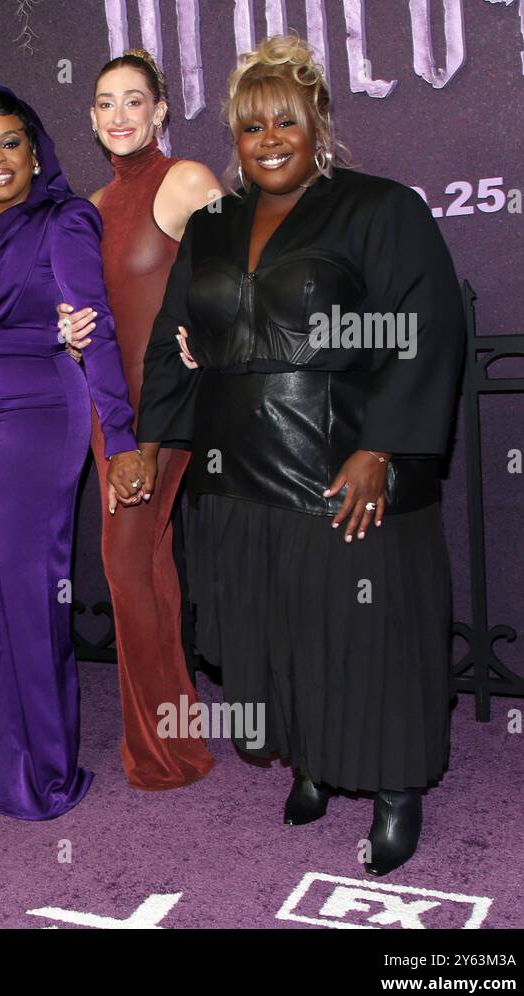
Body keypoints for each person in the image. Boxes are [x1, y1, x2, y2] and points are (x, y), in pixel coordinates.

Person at [137, 35, 463, 875]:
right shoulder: (211, 225)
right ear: (235, 143)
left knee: (365, 636)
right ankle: (312, 761)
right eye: (251, 128)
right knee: (276, 635)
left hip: (340, 468)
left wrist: (382, 448)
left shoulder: (380, 209)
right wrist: (149, 439)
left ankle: (394, 790)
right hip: (237, 475)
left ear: (318, 123)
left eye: (287, 120)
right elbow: (177, 339)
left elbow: (425, 333)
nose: (270, 139)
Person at [0, 86, 146, 820]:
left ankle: (45, 774)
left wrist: (121, 438)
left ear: (35, 149)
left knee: (30, 593)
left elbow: (100, 330)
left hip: (36, 414)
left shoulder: (63, 219)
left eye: (10, 143)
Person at [58, 49, 221, 791]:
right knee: (146, 565)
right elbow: (85, 311)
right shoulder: (88, 209)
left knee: (127, 564)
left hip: (165, 412)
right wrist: (65, 328)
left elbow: (238, 275)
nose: (119, 115)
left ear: (161, 110)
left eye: (134, 101)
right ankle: (177, 734)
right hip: (109, 411)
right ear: (91, 119)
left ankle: (163, 750)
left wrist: (211, 330)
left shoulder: (184, 180)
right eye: (105, 102)